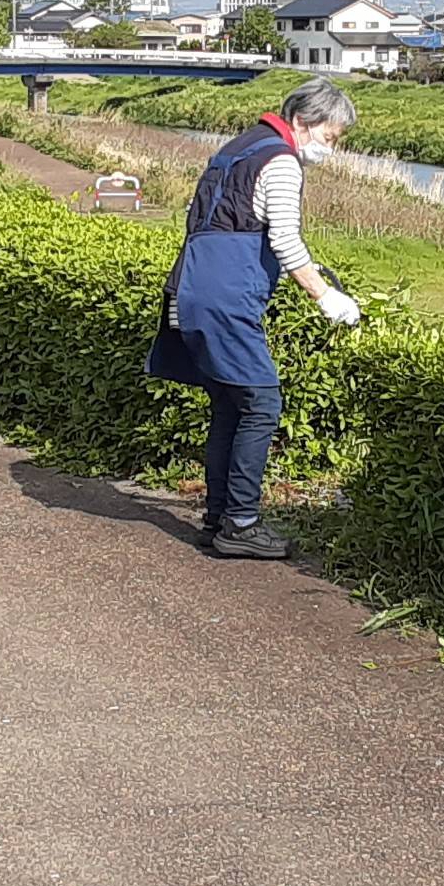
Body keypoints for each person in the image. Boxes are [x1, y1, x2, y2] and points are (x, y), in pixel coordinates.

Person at [146, 77, 362, 560]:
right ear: (304, 122)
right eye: (329, 138)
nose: (330, 148)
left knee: (230, 404)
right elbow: (285, 240)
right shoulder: (281, 161)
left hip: (191, 287)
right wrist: (326, 295)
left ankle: (219, 518)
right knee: (261, 404)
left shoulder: (237, 148)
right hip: (227, 298)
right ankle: (241, 523)